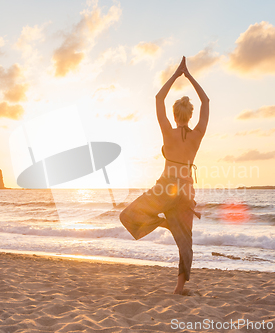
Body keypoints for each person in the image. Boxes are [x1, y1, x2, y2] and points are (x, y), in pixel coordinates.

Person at [119, 56, 209, 294]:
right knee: (185, 243)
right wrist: (190, 77)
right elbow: (206, 101)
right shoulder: (197, 134)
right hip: (186, 191)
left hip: (165, 188)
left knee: (127, 215)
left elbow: (158, 98)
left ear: (174, 114)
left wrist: (176, 74)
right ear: (190, 115)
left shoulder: (167, 132)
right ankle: (178, 289)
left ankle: (163, 223)